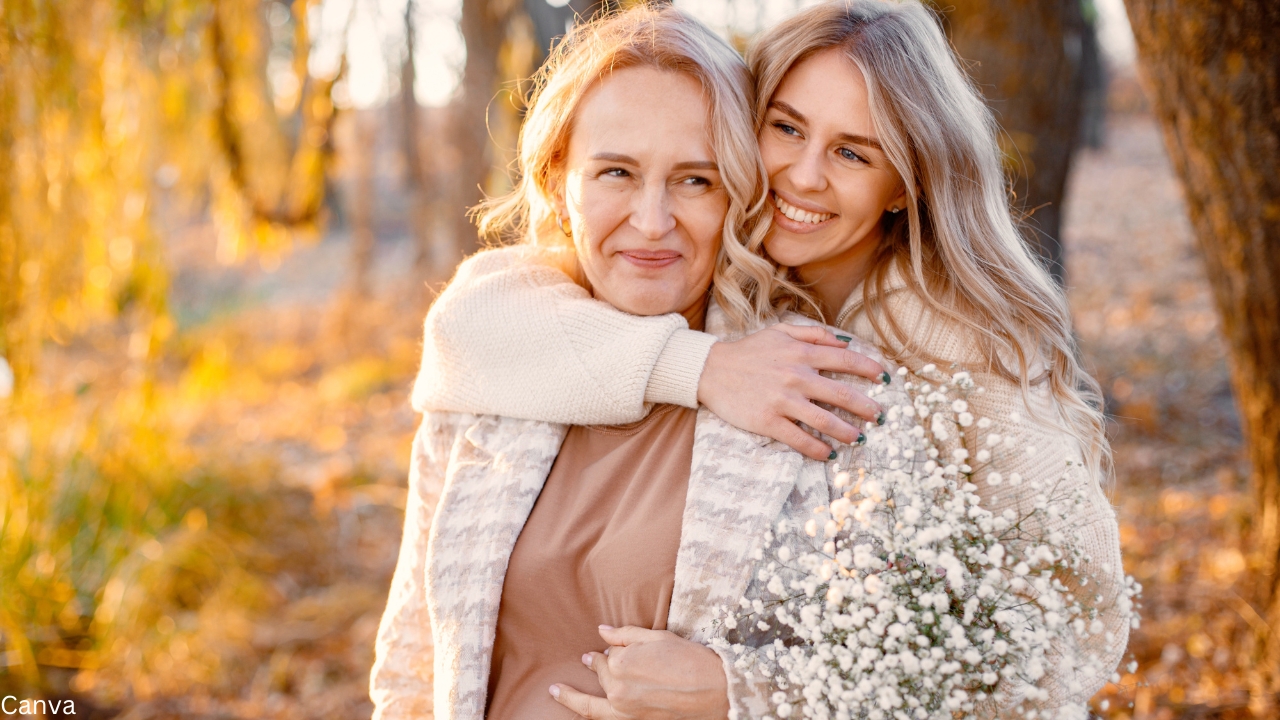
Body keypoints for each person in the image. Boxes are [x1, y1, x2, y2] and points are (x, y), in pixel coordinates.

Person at [405, 0, 1129, 715]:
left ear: (905, 183)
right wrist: (703, 368)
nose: (801, 176)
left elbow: (1066, 626)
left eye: (852, 151)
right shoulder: (657, 300)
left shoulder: (938, 357)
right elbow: (465, 327)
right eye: (785, 128)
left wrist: (747, 692)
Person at [370, 6, 906, 719]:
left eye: (696, 181)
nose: (652, 223)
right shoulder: (496, 374)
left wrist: (741, 696)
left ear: (742, 192)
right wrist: (699, 367)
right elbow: (412, 665)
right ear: (561, 180)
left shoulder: (809, 380)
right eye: (617, 172)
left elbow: (908, 672)